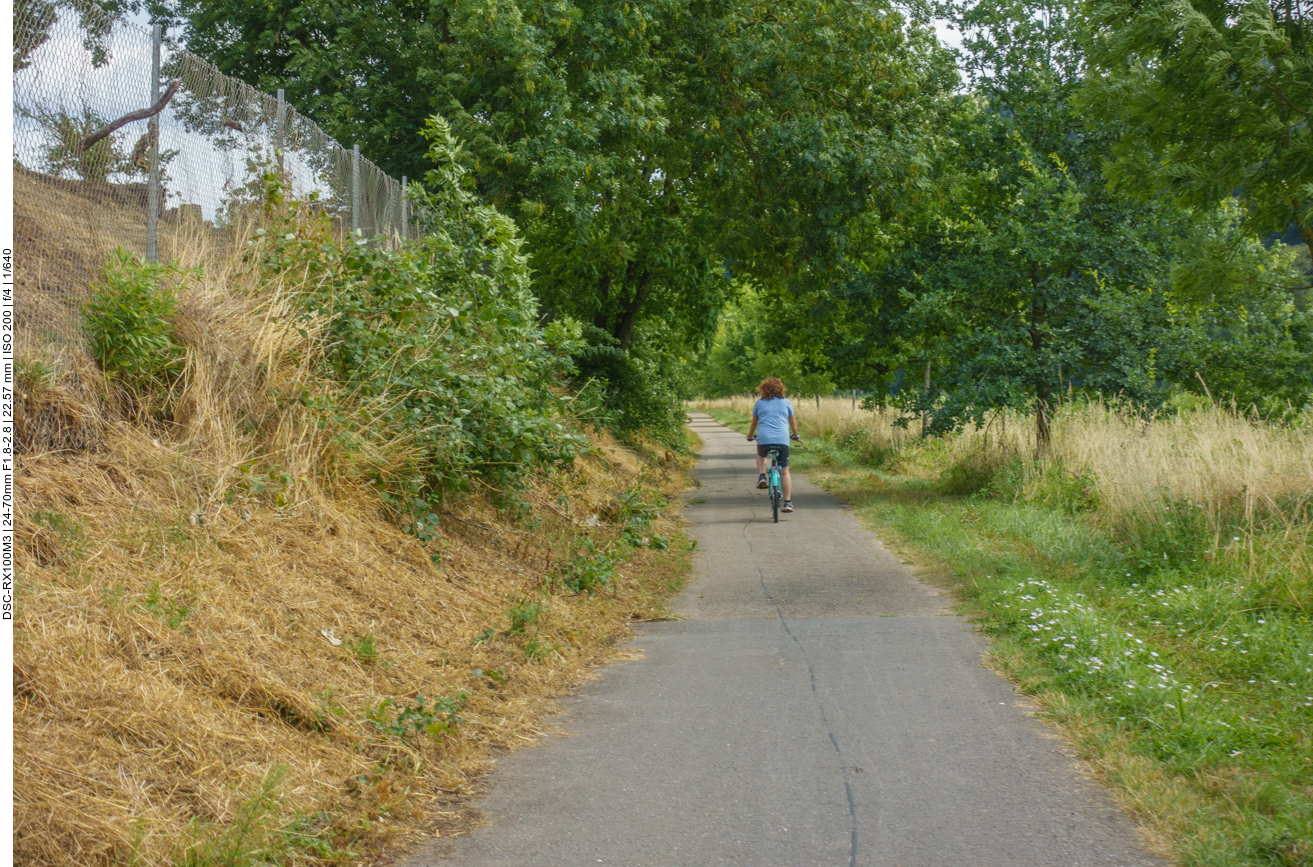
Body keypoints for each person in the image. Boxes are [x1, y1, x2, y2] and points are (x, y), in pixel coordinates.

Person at [746, 376, 800, 512]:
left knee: (761, 454)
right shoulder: (786, 402)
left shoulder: (759, 403)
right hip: (782, 439)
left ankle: (762, 475)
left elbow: (754, 423)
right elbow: (792, 422)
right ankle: (787, 503)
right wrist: (795, 435)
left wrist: (750, 436)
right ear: (780, 388)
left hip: (764, 438)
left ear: (762, 389)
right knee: (785, 471)